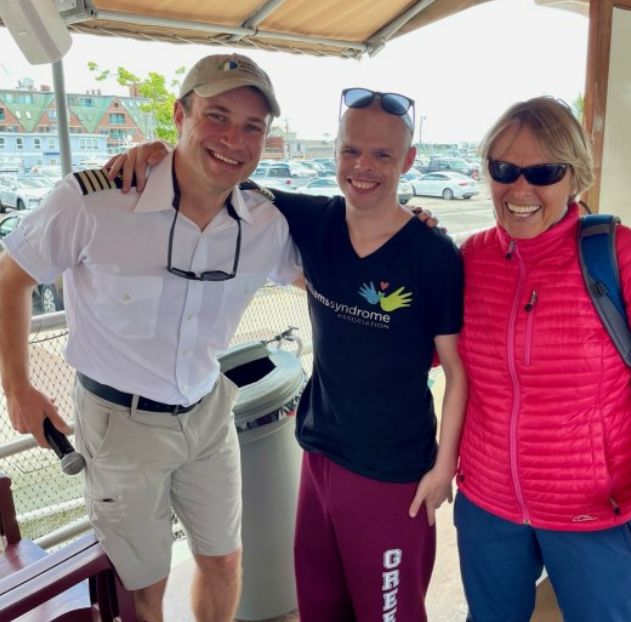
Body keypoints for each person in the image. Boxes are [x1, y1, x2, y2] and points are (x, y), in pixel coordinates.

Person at [109, 87, 468, 622]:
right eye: (351, 151)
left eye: (382, 154)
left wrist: (444, 468)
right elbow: (219, 174)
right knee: (320, 606)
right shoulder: (312, 219)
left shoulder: (433, 254)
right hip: (319, 455)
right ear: (335, 151)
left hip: (393, 471)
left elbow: (457, 372)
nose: (363, 167)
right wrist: (160, 151)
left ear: (409, 159)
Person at [0, 52, 304, 622]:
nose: (234, 140)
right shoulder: (95, 201)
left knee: (225, 560)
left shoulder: (267, 223)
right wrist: (17, 388)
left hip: (209, 412)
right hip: (119, 425)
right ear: (180, 116)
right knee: (145, 587)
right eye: (217, 116)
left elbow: (338, 269)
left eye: (252, 126)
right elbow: (11, 277)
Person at [454, 96, 631, 622]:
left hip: (598, 514)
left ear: (575, 176)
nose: (520, 189)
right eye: (503, 170)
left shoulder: (621, 255)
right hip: (488, 504)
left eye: (544, 172)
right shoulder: (469, 259)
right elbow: (431, 355)